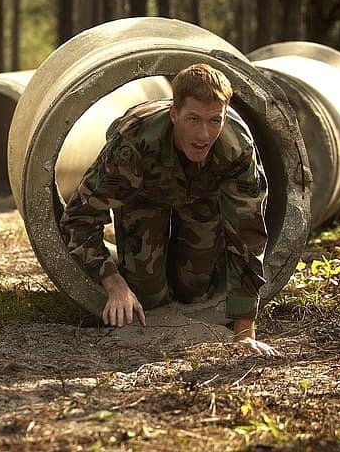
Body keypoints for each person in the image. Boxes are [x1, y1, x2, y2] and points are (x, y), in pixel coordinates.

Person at [59, 63, 279, 356]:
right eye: (193, 119)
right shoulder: (134, 144)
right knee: (146, 296)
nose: (204, 134)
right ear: (174, 114)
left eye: (215, 120)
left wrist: (244, 333)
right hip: (143, 194)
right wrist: (112, 282)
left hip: (203, 195)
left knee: (195, 290)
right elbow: (79, 217)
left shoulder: (236, 149)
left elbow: (248, 235)